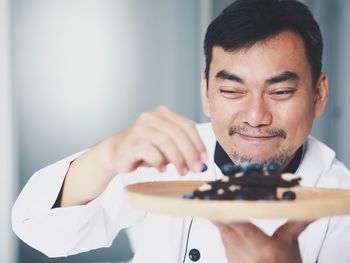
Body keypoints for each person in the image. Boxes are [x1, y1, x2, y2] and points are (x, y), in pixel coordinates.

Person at [12, 0, 350, 262]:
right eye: (232, 91)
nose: (256, 115)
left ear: (318, 95)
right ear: (206, 93)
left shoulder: (339, 197)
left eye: (279, 92)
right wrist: (108, 155)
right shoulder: (169, 159)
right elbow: (41, 231)